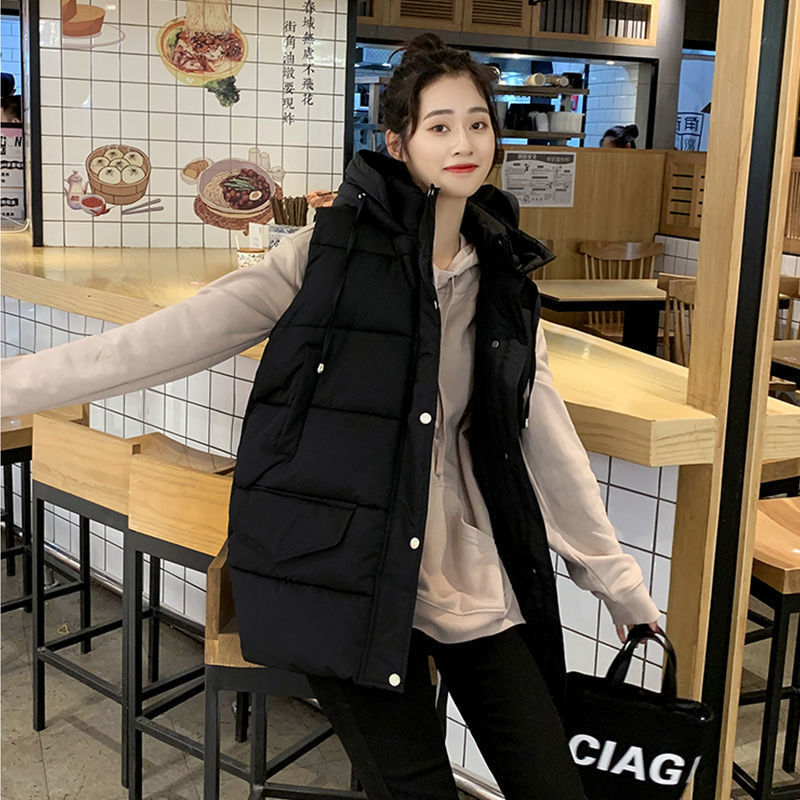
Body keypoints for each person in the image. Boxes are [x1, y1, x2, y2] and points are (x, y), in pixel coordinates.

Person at [2, 33, 660, 800]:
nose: (463, 143)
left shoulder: (504, 278)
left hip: (466, 568)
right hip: (346, 569)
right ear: (398, 143)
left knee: (553, 783)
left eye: (477, 123)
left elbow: (544, 435)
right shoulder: (330, 254)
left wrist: (615, 581)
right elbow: (158, 344)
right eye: (439, 125)